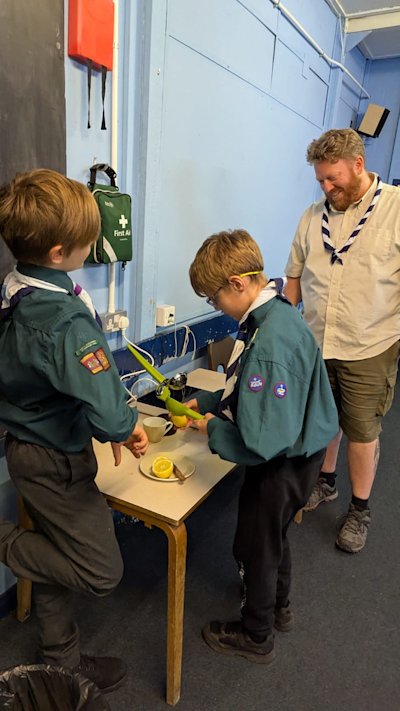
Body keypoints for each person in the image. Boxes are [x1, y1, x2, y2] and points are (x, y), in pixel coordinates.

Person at [0, 169, 148, 692]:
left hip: (29, 446)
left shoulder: (18, 286)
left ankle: (60, 661)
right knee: (100, 571)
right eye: (89, 241)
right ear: (60, 252)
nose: (94, 246)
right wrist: (124, 426)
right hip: (54, 458)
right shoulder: (63, 319)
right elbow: (109, 412)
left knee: (55, 553)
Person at [186, 229, 338, 664]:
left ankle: (256, 634)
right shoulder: (273, 316)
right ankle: (279, 607)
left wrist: (212, 428)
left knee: (257, 544)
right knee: (274, 534)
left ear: (237, 283)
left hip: (283, 462)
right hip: (301, 452)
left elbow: (265, 442)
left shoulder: (270, 343)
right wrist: (211, 401)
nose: (215, 306)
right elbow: (248, 387)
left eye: (213, 298)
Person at [284, 128, 400, 554]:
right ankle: (326, 482)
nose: (327, 188)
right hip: (318, 341)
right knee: (324, 419)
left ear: (358, 164)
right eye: (321, 180)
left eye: (334, 178)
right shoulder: (311, 217)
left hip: (370, 345)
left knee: (362, 430)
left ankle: (360, 509)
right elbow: (294, 277)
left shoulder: (395, 209)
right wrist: (282, 329)